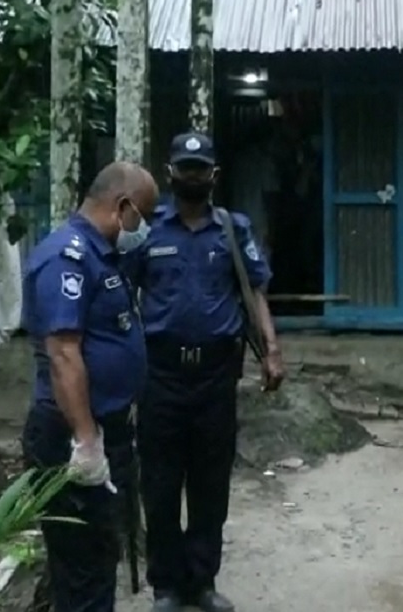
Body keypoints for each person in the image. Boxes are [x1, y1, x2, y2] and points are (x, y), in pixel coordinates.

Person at [125, 132, 286, 612]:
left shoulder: (233, 230)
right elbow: (122, 293)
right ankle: (166, 586)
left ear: (214, 175)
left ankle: (202, 582)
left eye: (200, 169)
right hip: (160, 374)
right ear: (170, 173)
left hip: (216, 376)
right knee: (160, 484)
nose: (192, 176)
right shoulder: (147, 231)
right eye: (185, 168)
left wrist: (272, 351)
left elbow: (255, 291)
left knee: (210, 484)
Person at [20, 162, 160, 612]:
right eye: (143, 216)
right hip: (72, 437)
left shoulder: (103, 254)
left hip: (106, 431)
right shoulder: (67, 258)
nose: (145, 228)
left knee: (99, 558)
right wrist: (86, 441)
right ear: (123, 207)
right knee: (82, 567)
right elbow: (63, 353)